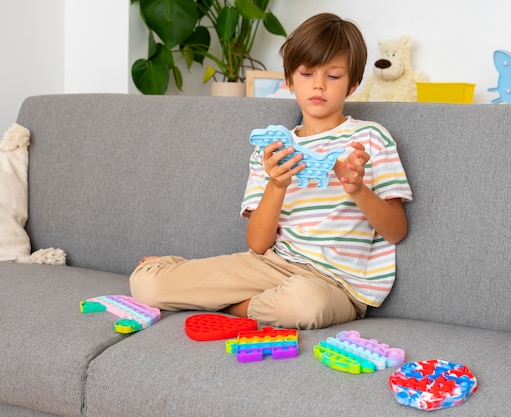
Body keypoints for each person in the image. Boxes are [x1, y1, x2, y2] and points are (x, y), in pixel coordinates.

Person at [129, 13, 413, 330]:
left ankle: (235, 305)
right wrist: (276, 185)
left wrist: (357, 189)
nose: (319, 84)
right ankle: (179, 272)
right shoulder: (273, 150)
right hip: (271, 266)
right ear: (289, 80)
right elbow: (258, 245)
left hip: (337, 286)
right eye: (307, 73)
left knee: (304, 305)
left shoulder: (372, 138)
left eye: (333, 76)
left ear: (353, 84)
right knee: (146, 285)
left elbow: (396, 231)